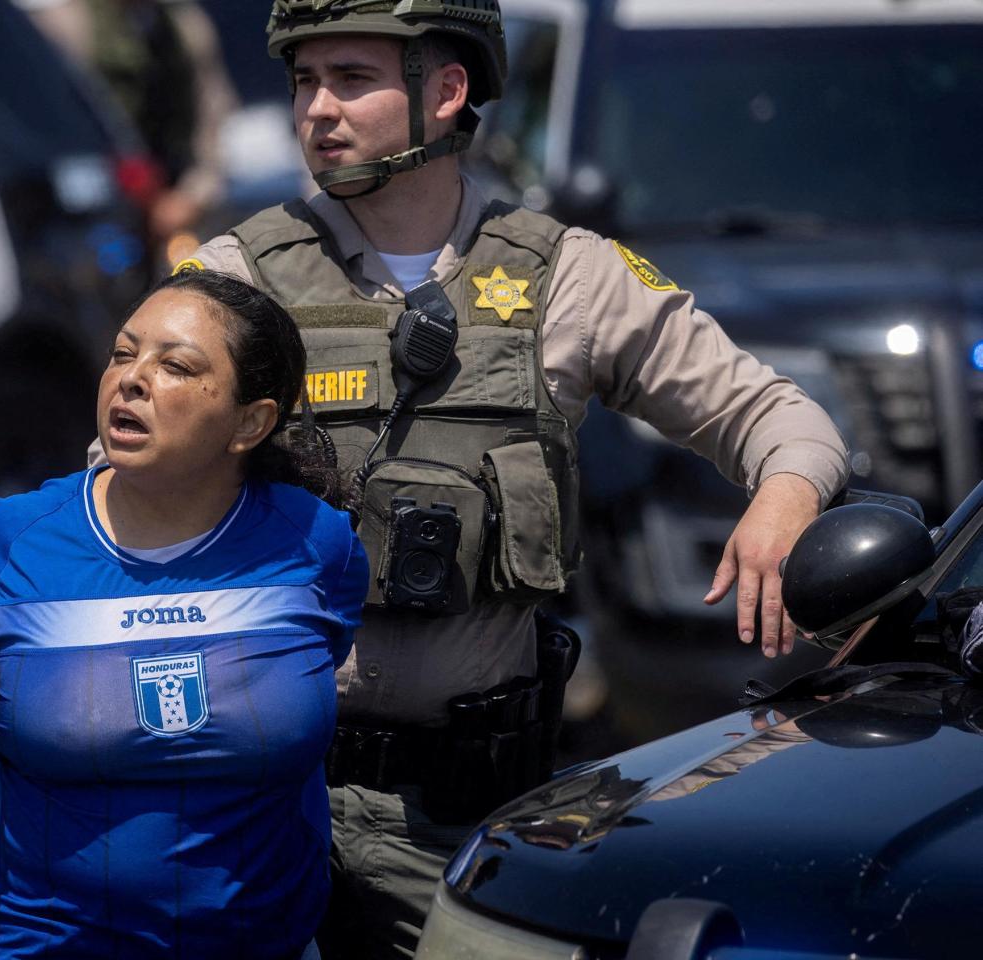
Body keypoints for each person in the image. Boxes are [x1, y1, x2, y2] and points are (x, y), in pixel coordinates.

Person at [156, 1, 852, 955]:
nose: (317, 109)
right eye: (304, 81)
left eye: (351, 79)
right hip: (259, 804)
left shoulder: (570, 275)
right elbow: (115, 500)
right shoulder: (234, 281)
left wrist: (785, 495)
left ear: (446, 92)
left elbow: (781, 417)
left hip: (465, 820)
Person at [0, 269, 368, 958]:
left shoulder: (317, 543)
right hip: (43, 944)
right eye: (123, 354)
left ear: (251, 422)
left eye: (176, 366)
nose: (132, 378)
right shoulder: (7, 539)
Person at [16, 0, 239, 265]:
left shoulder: (183, 25)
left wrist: (192, 194)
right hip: (92, 214)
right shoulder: (65, 23)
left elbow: (213, 119)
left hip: (173, 208)